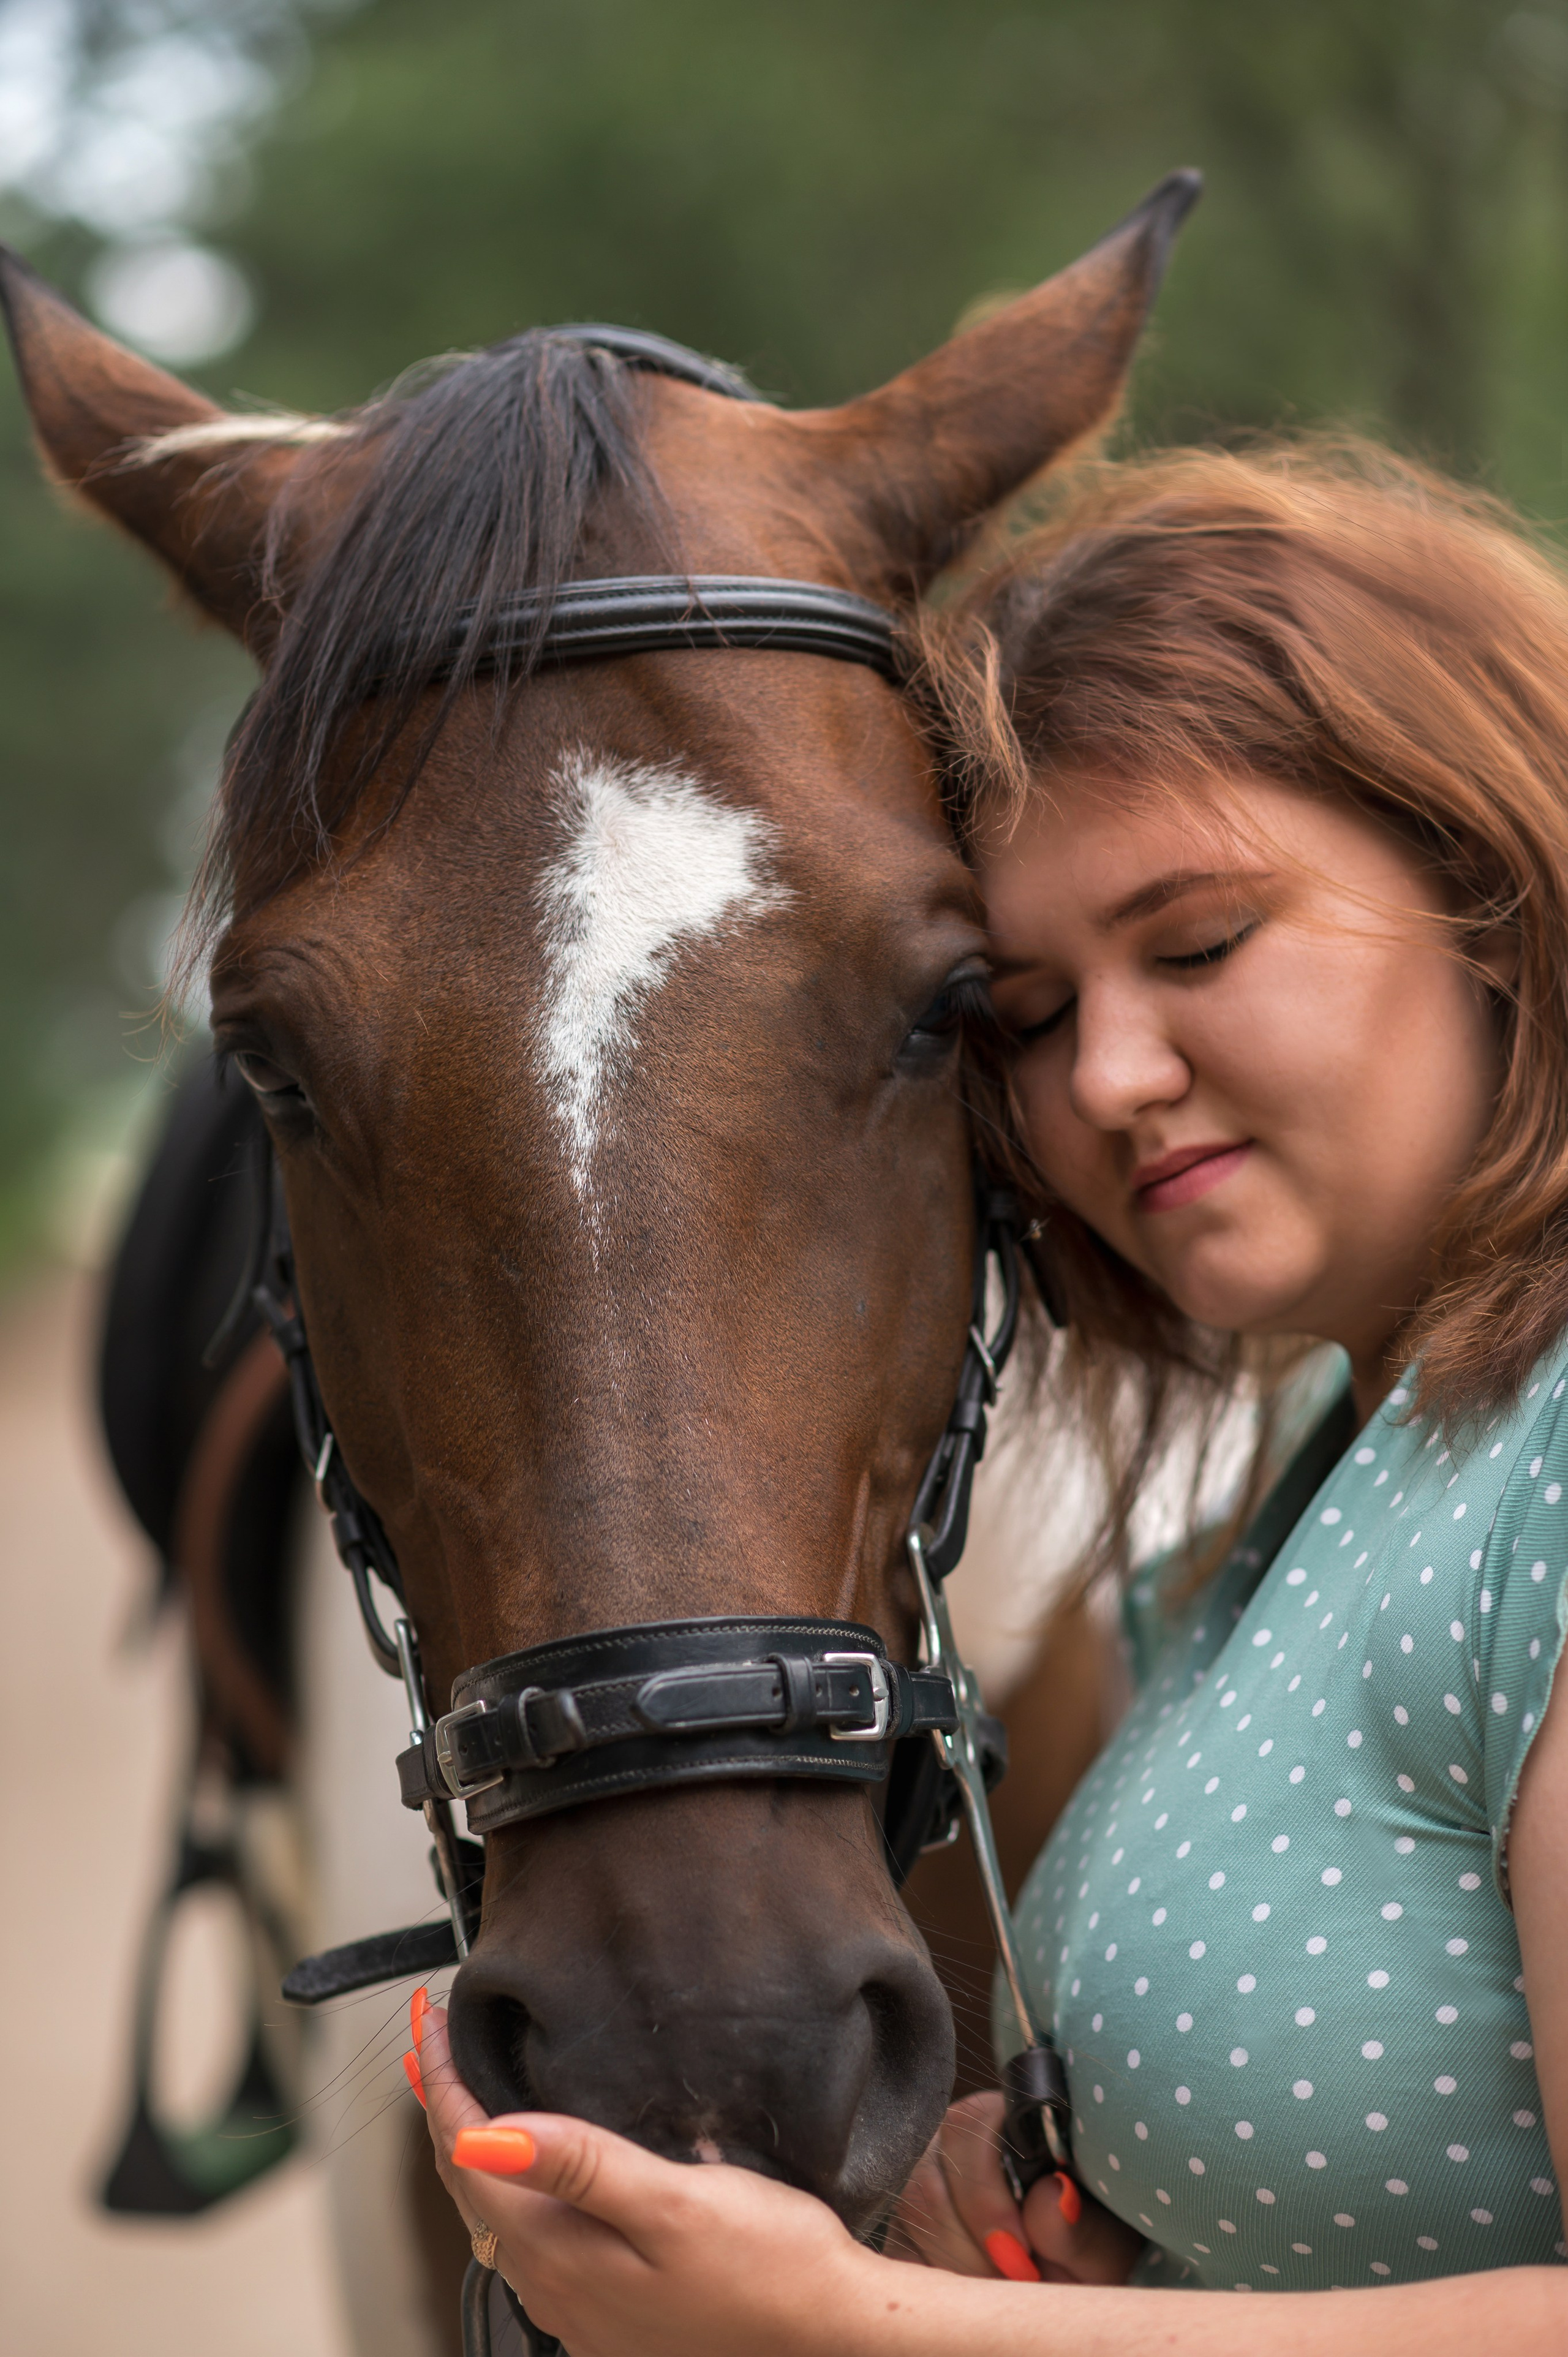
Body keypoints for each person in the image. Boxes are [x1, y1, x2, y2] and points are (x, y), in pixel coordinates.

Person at [410, 439, 1568, 2353]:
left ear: (1498, 883)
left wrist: (864, 2334)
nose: (1106, 1076)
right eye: (1026, 1020)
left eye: (1199, 944)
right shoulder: (1323, 1466)